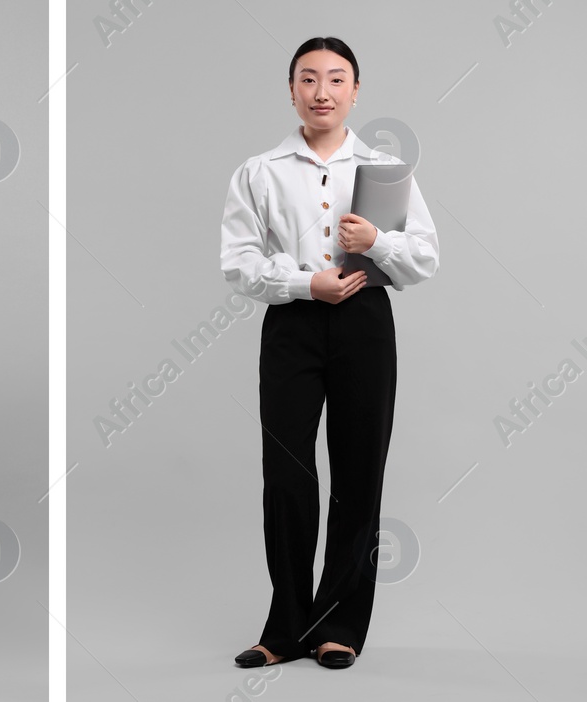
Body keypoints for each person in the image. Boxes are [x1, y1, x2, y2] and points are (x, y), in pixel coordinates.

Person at [220, 36, 439, 670]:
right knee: (286, 477)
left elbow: (424, 259)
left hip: (365, 324)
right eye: (309, 79)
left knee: (358, 474)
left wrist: (377, 242)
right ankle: (284, 627)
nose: (322, 91)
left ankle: (339, 625)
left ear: (355, 90)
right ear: (291, 89)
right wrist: (301, 283)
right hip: (292, 325)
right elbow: (237, 264)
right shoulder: (259, 171)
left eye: (336, 79)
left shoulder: (385, 169)